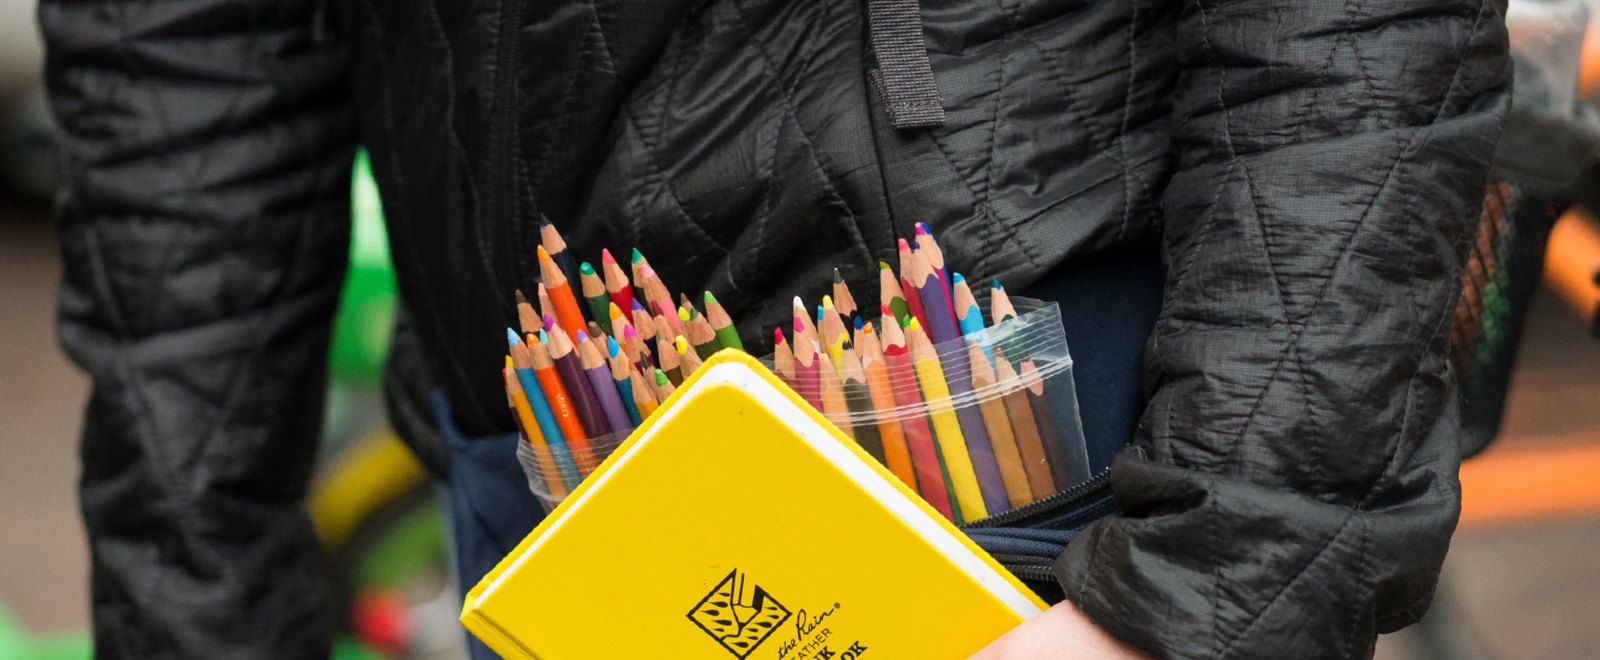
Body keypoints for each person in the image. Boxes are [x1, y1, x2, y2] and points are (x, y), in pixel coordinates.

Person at [39, 0, 1509, 657]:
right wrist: (198, 612)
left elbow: (1349, 28)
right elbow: (182, 63)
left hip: (1049, 492)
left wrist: (1207, 598)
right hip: (557, 478)